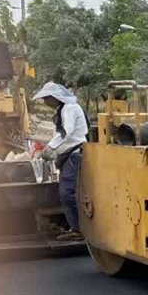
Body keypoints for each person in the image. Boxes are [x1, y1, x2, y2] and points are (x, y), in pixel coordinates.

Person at [32, 82, 89, 240]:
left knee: (66, 193)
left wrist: (50, 148)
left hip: (74, 153)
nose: (45, 102)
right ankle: (76, 227)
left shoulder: (69, 108)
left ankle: (78, 230)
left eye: (46, 98)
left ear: (54, 97)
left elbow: (67, 132)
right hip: (69, 154)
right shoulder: (65, 108)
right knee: (68, 192)